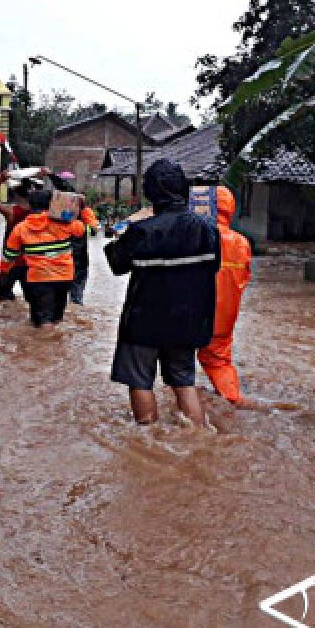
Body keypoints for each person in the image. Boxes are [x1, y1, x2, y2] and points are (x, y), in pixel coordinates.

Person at [105, 159, 220, 427]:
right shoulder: (209, 230)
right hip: (188, 322)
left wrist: (125, 227)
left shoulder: (142, 231)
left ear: (151, 193)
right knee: (184, 381)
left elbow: (116, 264)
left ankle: (147, 435)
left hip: (144, 323)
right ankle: (198, 433)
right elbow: (212, 269)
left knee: (139, 380)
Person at [197, 186, 255, 408]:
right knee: (219, 362)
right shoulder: (242, 243)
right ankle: (231, 403)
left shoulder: (197, 235)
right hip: (223, 318)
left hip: (191, 313)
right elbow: (245, 278)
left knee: (177, 365)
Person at [3, 189, 85, 327]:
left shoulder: (21, 228)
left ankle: (43, 346)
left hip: (38, 279)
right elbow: (83, 229)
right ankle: (57, 346)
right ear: (51, 205)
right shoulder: (65, 223)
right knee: (57, 318)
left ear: (30, 206)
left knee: (41, 322)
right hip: (64, 278)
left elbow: (9, 256)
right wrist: (79, 206)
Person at [0, 168, 47, 301]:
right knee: (32, 302)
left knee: (1, 300)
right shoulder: (43, 214)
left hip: (10, 264)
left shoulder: (11, 212)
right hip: (32, 263)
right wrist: (48, 176)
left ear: (15, 193)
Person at [68, 198, 101, 305]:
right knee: (79, 278)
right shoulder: (84, 214)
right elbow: (93, 230)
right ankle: (76, 301)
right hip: (78, 253)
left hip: (63, 254)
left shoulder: (60, 215)